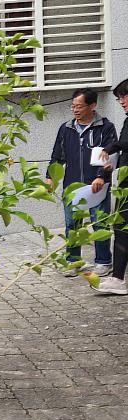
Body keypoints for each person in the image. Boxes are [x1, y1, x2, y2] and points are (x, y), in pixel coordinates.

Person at [46, 88, 117, 276]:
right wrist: (50, 177)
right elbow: (57, 156)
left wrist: (102, 176)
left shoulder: (105, 127)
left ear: (92, 105)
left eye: (79, 106)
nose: (75, 110)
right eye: (73, 106)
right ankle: (73, 261)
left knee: (99, 222)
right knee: (72, 224)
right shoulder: (66, 128)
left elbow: (111, 154)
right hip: (72, 184)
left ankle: (103, 261)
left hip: (97, 184)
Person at [94, 78, 128, 295]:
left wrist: (111, 146)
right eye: (119, 99)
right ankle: (117, 277)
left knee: (122, 228)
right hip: (125, 184)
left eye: (124, 97)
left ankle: (117, 278)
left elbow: (125, 143)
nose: (122, 102)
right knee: (122, 229)